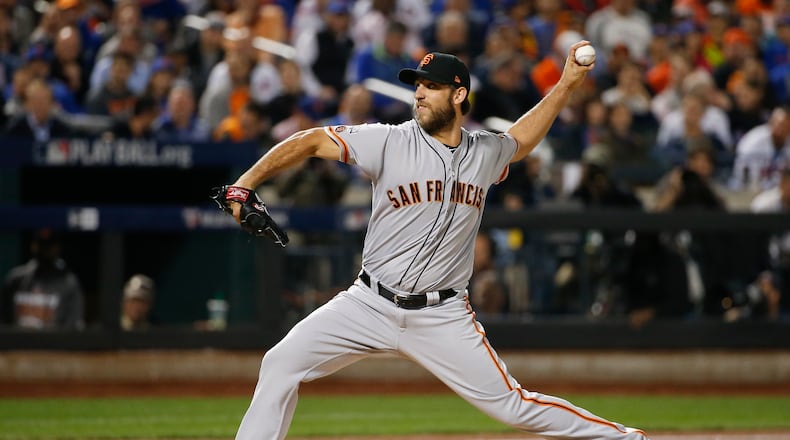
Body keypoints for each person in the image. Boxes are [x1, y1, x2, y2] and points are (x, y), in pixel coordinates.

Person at [224, 44, 648, 439]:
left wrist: (567, 84)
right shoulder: (389, 140)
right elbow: (311, 139)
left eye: (432, 86)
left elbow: (521, 140)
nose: (420, 94)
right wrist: (243, 185)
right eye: (418, 86)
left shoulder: (484, 152)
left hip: (442, 314)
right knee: (279, 364)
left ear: (459, 94)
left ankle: (626, 438)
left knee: (513, 406)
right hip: (368, 303)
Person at [0, 229, 85, 330]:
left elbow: (73, 325)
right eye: (42, 244)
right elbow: (4, 322)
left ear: (57, 247)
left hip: (52, 344)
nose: (45, 250)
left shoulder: (68, 282)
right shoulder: (15, 279)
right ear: (33, 246)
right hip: (17, 344)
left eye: (49, 245)